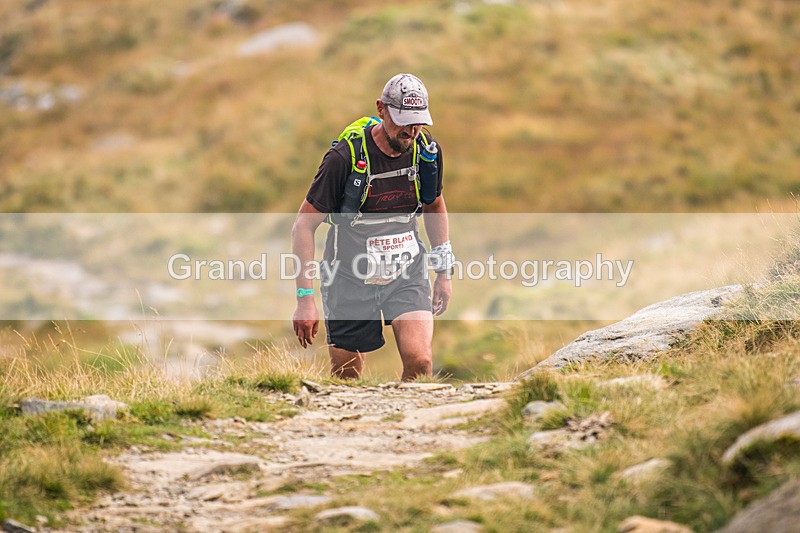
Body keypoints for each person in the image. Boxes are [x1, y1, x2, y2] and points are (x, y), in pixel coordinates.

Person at [291, 73, 453, 381]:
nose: (411, 131)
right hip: (348, 278)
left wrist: (443, 274)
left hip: (406, 273)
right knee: (346, 375)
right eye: (403, 120)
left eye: (418, 121)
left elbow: (434, 205)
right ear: (381, 109)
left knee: (421, 363)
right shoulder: (344, 158)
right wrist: (304, 299)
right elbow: (303, 226)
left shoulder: (426, 153)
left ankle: (408, 426)